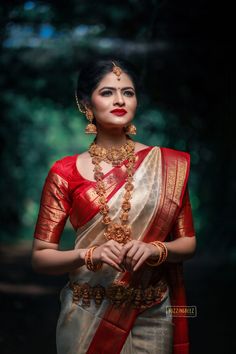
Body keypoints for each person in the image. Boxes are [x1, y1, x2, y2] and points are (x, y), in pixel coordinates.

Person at [31, 58, 196, 354]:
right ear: (86, 103)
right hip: (86, 315)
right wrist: (89, 254)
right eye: (107, 92)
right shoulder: (64, 172)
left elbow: (188, 243)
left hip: (153, 314)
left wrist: (156, 249)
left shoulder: (168, 166)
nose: (120, 99)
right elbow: (41, 258)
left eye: (128, 92)